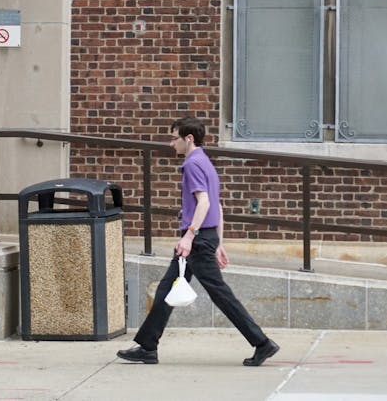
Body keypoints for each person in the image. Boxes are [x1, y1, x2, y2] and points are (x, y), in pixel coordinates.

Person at [116, 116, 279, 367]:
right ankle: (148, 346)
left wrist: (191, 236)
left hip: (197, 239)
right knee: (166, 289)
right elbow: (217, 206)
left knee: (220, 294)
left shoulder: (193, 164)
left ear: (188, 138)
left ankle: (261, 343)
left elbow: (204, 202)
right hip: (204, 237)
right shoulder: (206, 162)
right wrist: (218, 242)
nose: (172, 144)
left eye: (174, 138)